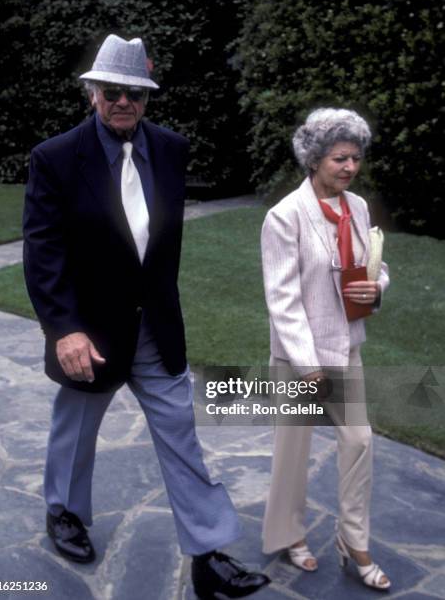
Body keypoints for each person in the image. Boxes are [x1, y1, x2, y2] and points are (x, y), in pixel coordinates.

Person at [23, 34, 269, 599]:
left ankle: (208, 554)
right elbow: (44, 252)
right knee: (75, 429)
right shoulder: (55, 158)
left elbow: (157, 246)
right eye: (111, 91)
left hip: (155, 328)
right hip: (90, 333)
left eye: (135, 92)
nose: (123, 101)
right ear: (91, 94)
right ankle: (64, 512)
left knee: (182, 436)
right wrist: (64, 328)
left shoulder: (171, 148)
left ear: (147, 96)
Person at [260, 108, 391, 591]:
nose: (350, 168)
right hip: (300, 359)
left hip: (347, 347)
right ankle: (289, 536)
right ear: (314, 159)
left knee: (358, 441)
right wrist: (308, 364)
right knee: (292, 452)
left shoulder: (356, 207)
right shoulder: (283, 217)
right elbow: (282, 298)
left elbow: (375, 266)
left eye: (356, 158)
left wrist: (376, 289)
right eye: (340, 158)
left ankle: (352, 541)